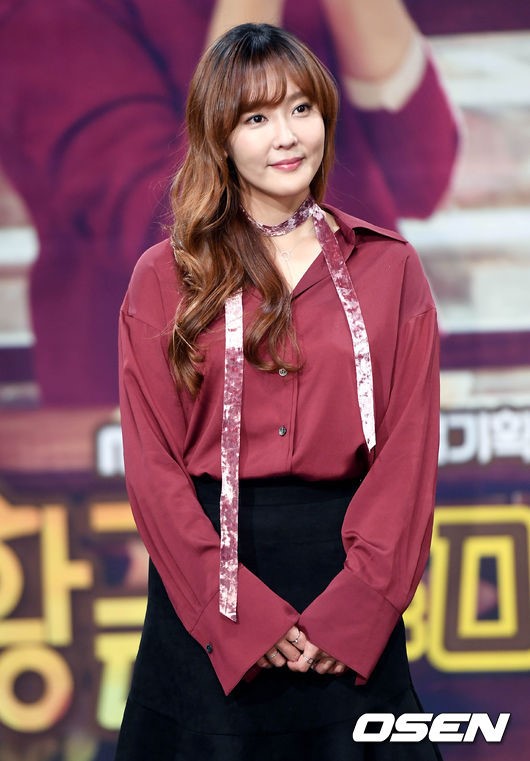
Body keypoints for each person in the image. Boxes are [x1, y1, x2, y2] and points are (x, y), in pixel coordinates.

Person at [116, 22, 442, 761]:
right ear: (220, 137)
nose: (287, 135)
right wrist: (231, 611)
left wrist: (360, 606)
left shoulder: (389, 267)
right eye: (256, 118)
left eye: (301, 108)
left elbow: (410, 454)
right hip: (207, 588)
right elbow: (154, 469)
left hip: (348, 578)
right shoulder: (164, 276)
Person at [0, 0, 457, 406]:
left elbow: (423, 180)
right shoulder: (48, 15)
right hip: (176, 401)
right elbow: (171, 229)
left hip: (368, 376)